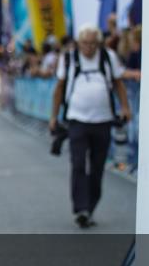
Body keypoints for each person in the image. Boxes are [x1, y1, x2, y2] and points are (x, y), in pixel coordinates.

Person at [49, 25, 132, 229]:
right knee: (78, 164)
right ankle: (80, 208)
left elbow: (118, 82)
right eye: (85, 43)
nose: (89, 47)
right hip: (77, 120)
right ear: (78, 43)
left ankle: (91, 206)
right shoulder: (69, 59)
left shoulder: (107, 57)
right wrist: (53, 116)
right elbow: (59, 87)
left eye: (93, 43)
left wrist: (125, 106)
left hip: (102, 120)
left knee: (97, 166)